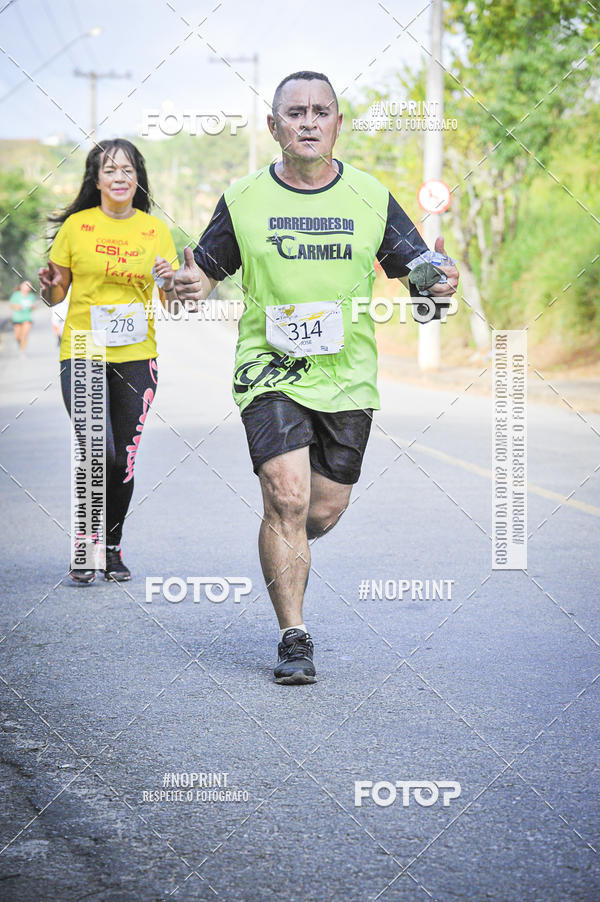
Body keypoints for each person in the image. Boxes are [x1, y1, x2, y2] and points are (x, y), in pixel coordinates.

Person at [173, 71, 459, 684]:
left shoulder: (370, 196)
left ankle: (283, 544)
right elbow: (203, 274)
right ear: (273, 126)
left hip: (347, 374)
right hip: (268, 367)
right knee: (287, 496)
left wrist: (438, 284)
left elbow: (420, 279)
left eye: (320, 111)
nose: (308, 122)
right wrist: (189, 285)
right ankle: (293, 636)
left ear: (337, 123)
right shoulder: (244, 198)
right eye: (295, 112)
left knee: (321, 512)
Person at [39, 139, 179, 584]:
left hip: (138, 357)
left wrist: (170, 283)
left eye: (127, 170)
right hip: (83, 351)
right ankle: (86, 545)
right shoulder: (77, 228)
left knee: (122, 461)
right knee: (99, 450)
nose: (119, 177)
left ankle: (112, 547)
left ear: (138, 178)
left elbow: (174, 305)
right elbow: (54, 295)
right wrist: (48, 285)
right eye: (110, 170)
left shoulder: (154, 231)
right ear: (95, 180)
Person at [10, 280, 35, 352]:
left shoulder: (31, 296)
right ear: (21, 286)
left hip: (27, 318)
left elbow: (33, 306)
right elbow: (11, 305)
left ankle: (22, 350)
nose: (28, 287)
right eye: (26, 285)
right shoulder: (16, 295)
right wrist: (17, 306)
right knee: (17, 336)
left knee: (25, 334)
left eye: (29, 286)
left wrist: (32, 307)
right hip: (17, 318)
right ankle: (19, 342)